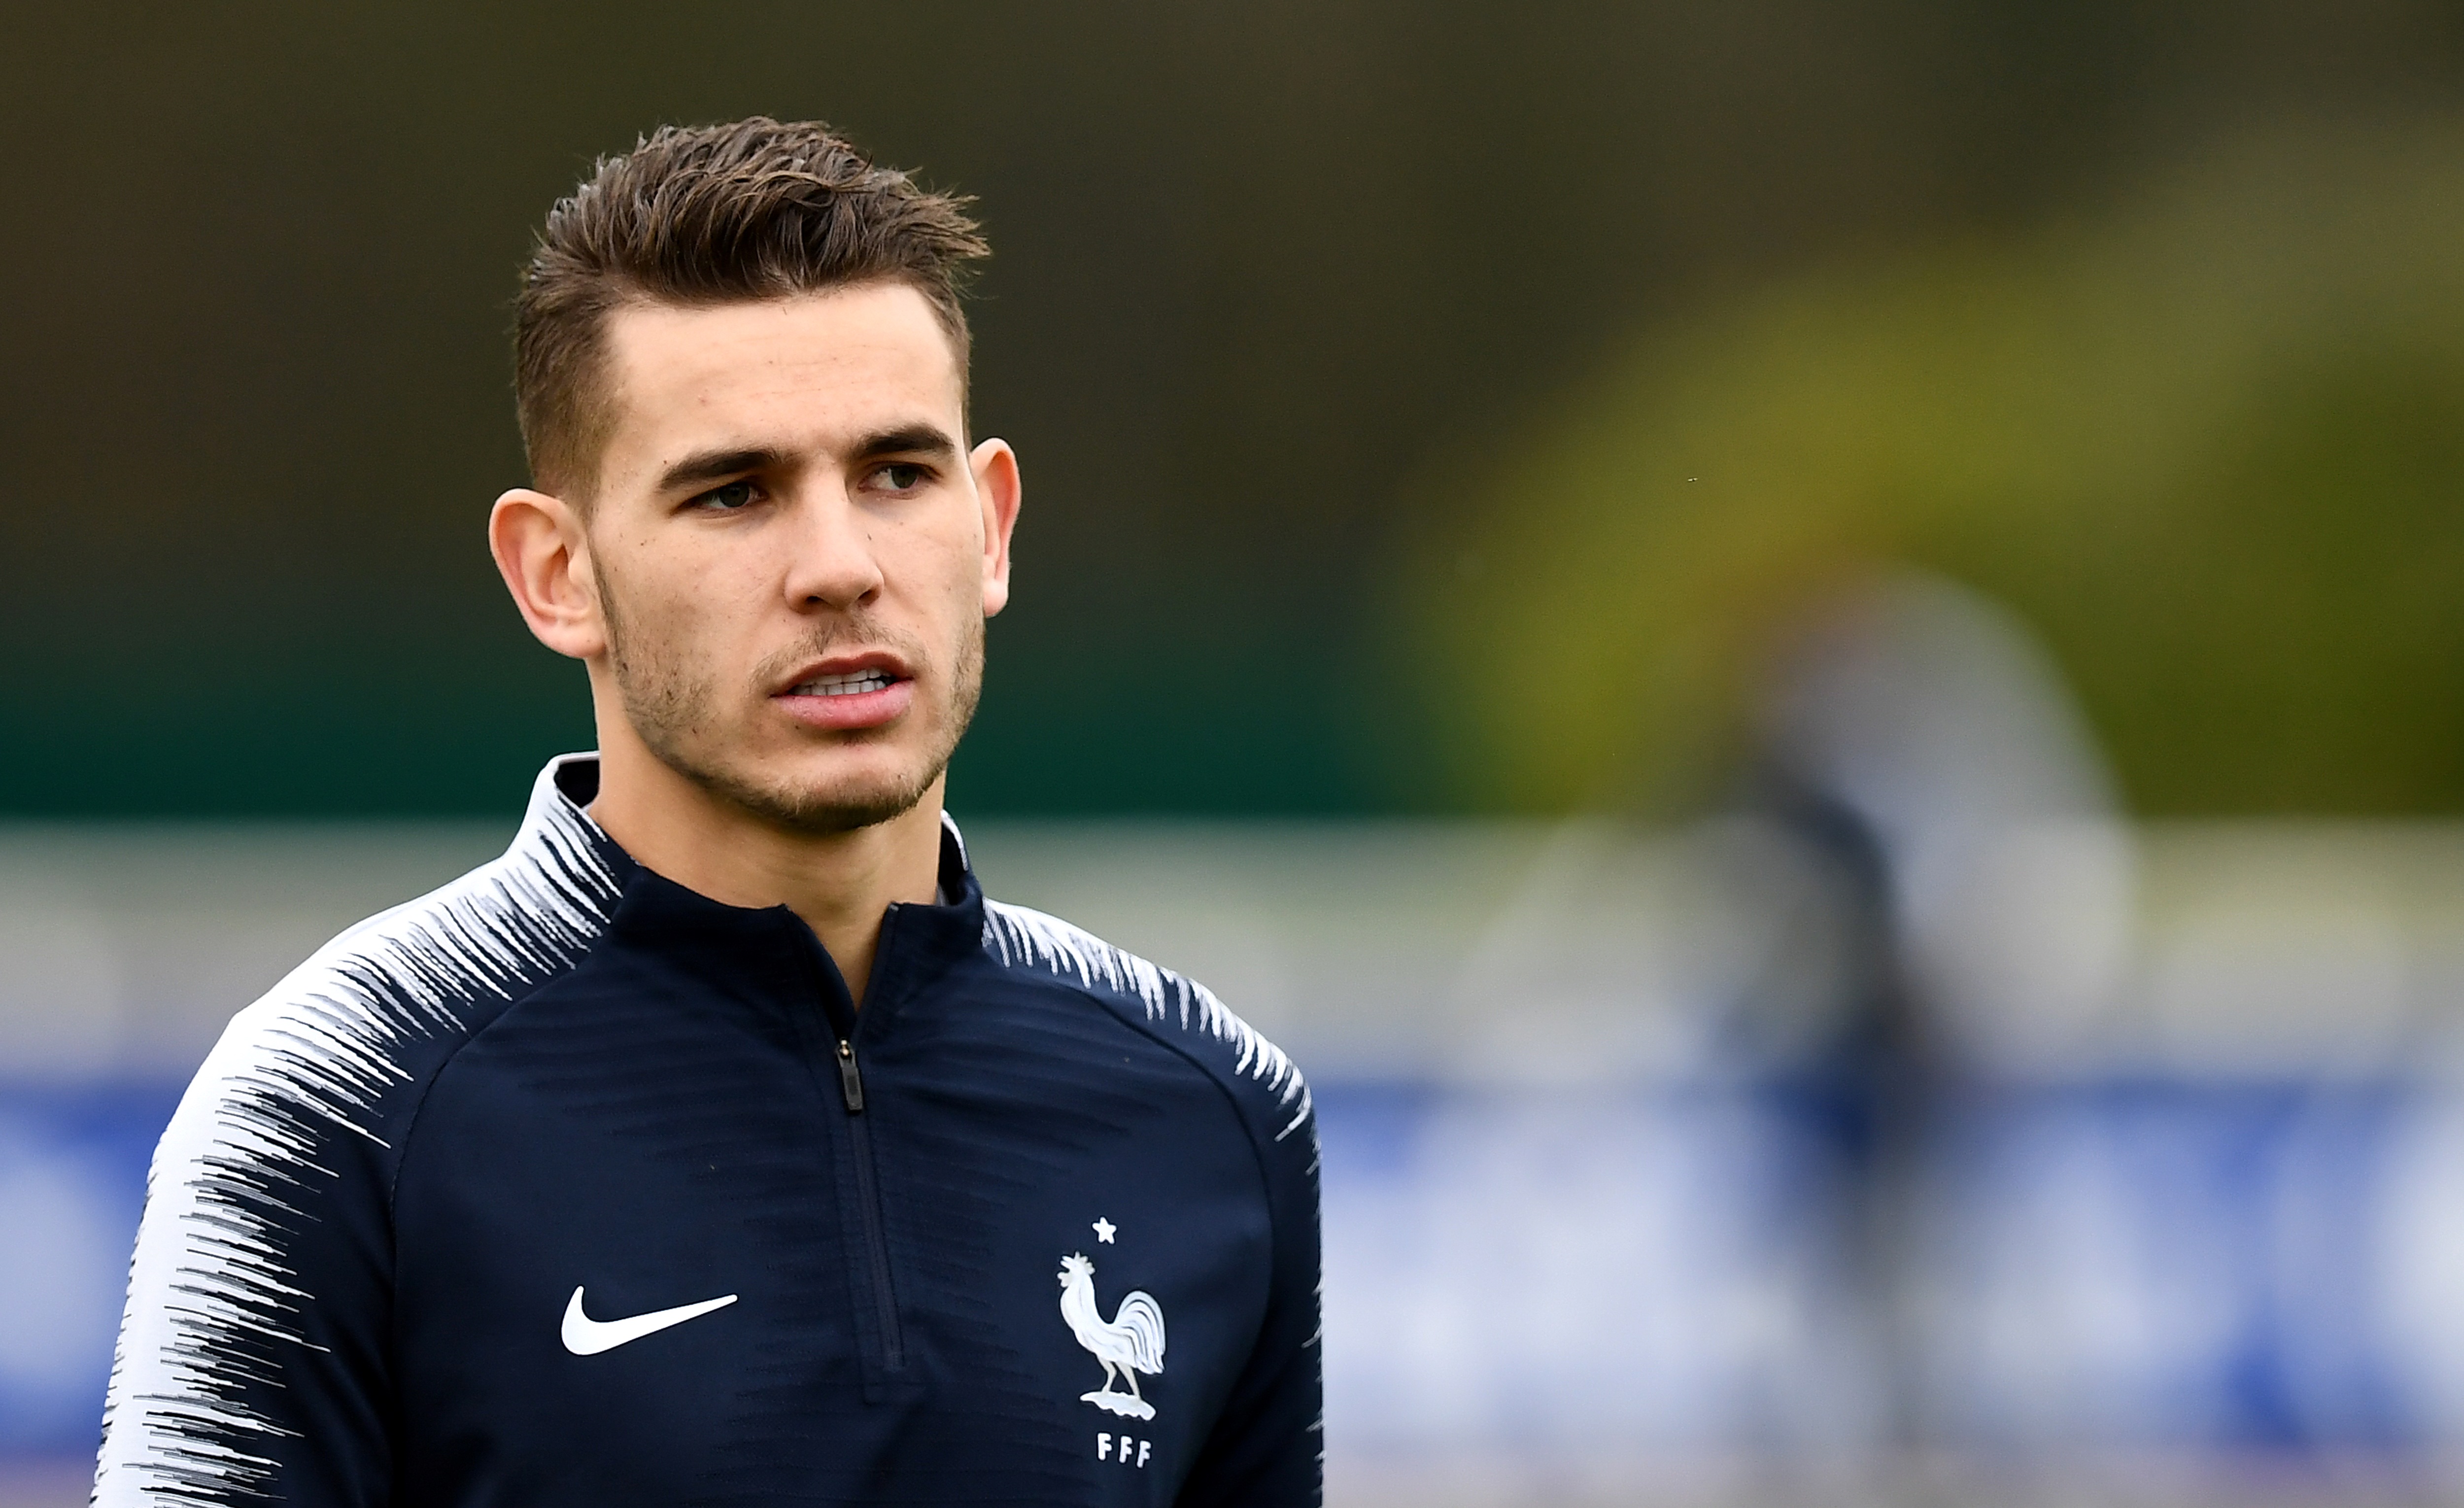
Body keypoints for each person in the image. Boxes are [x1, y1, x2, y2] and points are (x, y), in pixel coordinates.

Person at [92, 118, 1320, 1508]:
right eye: (735, 493)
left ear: (993, 524)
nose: (840, 566)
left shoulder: (1218, 1113)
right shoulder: (338, 1108)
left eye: (897, 476)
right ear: (556, 572)